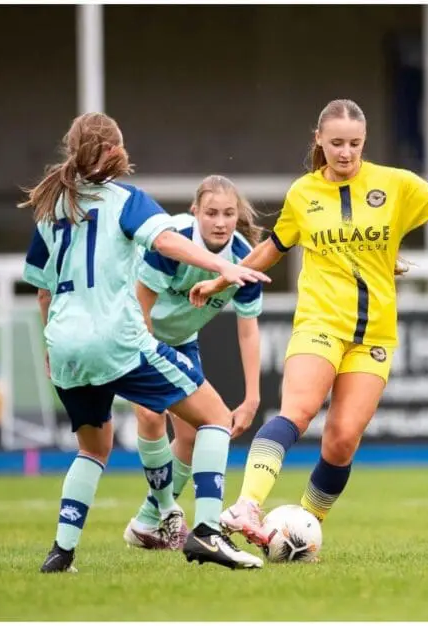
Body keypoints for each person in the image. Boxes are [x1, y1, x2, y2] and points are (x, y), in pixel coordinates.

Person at [190, 99, 428, 545]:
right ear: (318, 140)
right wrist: (221, 279)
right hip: (319, 322)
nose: (345, 152)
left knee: (341, 440)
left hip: (374, 334)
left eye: (355, 143)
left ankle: (301, 530)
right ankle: (247, 505)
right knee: (297, 412)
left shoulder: (397, 184)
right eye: (336, 143)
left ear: (364, 142)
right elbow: (271, 249)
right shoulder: (303, 193)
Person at [21, 112, 268, 572]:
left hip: (66, 345)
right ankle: (207, 533)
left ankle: (61, 553)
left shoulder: (50, 209)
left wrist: (51, 348)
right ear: (111, 151)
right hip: (117, 338)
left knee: (92, 449)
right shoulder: (126, 200)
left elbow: (41, 290)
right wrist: (221, 267)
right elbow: (167, 241)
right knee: (215, 418)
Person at [122, 175, 264, 550]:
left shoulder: (244, 259)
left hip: (182, 342)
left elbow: (248, 331)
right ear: (195, 212)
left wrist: (252, 398)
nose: (220, 222)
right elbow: (142, 306)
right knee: (150, 415)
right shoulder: (174, 241)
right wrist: (148, 362)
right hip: (136, 335)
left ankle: (146, 523)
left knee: (190, 436)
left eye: (228, 213)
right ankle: (169, 516)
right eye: (211, 213)